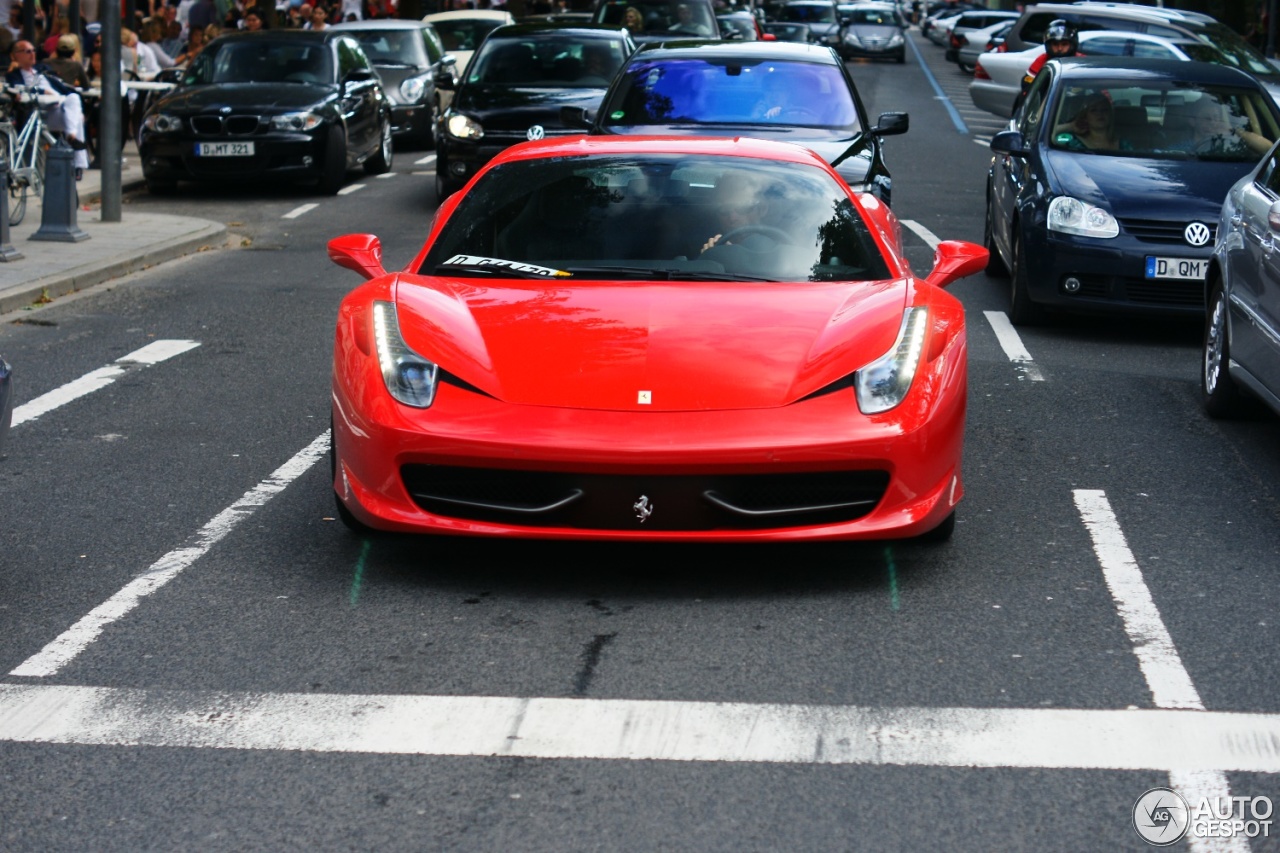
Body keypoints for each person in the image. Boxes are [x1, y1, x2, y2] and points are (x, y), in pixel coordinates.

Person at [4, 40, 91, 178]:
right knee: (77, 118)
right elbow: (18, 90)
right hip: (41, 114)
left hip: (60, 108)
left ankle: (71, 136)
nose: (32, 54)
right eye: (27, 51)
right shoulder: (14, 75)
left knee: (74, 99)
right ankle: (78, 163)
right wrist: (42, 91)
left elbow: (64, 87)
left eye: (33, 50)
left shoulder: (42, 69)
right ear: (15, 55)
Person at [1167, 96, 1273, 158]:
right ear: (1192, 121)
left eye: (1216, 118)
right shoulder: (1180, 149)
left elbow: (1268, 149)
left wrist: (1234, 130)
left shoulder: (1233, 146)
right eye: (1207, 119)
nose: (1213, 123)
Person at [699, 170, 773, 254]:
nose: (732, 217)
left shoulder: (786, 254)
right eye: (724, 209)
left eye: (743, 207)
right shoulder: (714, 248)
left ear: (763, 208)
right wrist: (709, 258)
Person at [1021, 19, 1080, 98]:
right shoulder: (1042, 60)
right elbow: (1027, 85)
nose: (1060, 48)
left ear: (1073, 44)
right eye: (1055, 44)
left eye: (1064, 44)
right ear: (1048, 45)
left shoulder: (1081, 61)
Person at [1053, 94, 1131, 152]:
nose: (1100, 113)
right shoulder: (1072, 141)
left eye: (1104, 110)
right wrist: (1071, 126)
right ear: (1085, 116)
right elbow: (1044, 136)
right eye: (1094, 110)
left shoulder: (1123, 144)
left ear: (1110, 115)